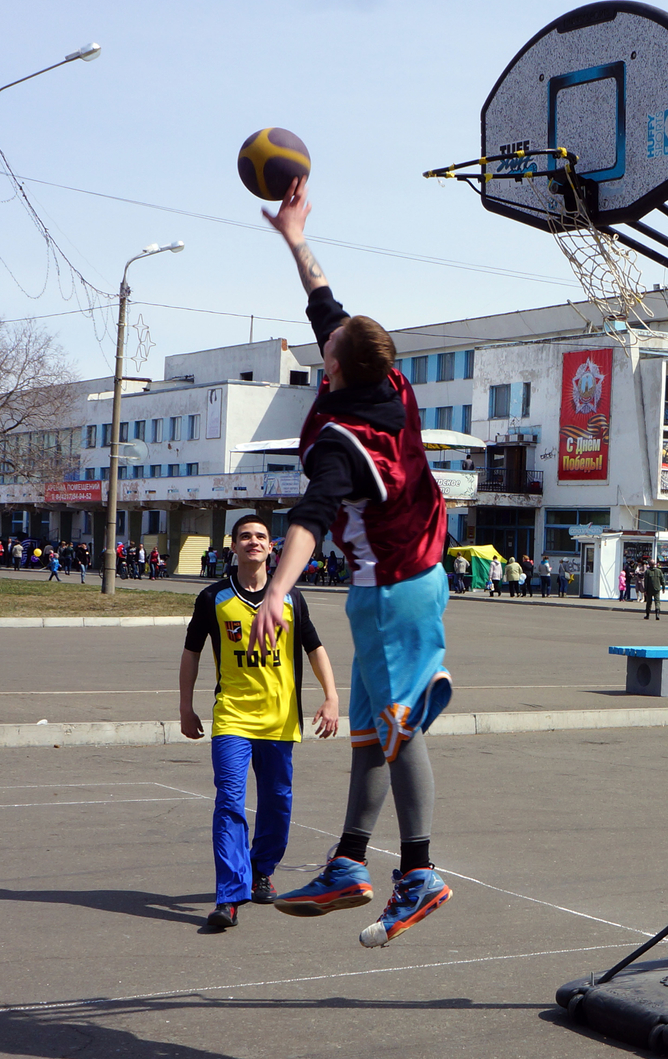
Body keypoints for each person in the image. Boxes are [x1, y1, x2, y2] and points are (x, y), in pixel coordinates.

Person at [253, 176, 453, 948]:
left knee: (400, 727)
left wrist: (276, 590)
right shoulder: (383, 377)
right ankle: (348, 860)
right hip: (385, 585)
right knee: (370, 732)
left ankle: (420, 872)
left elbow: (309, 518)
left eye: (326, 347)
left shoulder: (348, 443)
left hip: (400, 588)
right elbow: (325, 301)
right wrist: (297, 237)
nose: (320, 337)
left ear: (336, 369)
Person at [179, 515, 340, 929]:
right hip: (232, 716)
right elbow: (192, 653)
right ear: (232, 546)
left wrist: (332, 697)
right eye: (245, 536)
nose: (253, 541)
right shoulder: (213, 597)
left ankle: (262, 869)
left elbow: (314, 648)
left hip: (280, 721)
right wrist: (185, 706)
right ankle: (229, 894)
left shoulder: (290, 598)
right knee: (229, 801)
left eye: (261, 536)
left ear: (273, 548)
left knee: (277, 802)